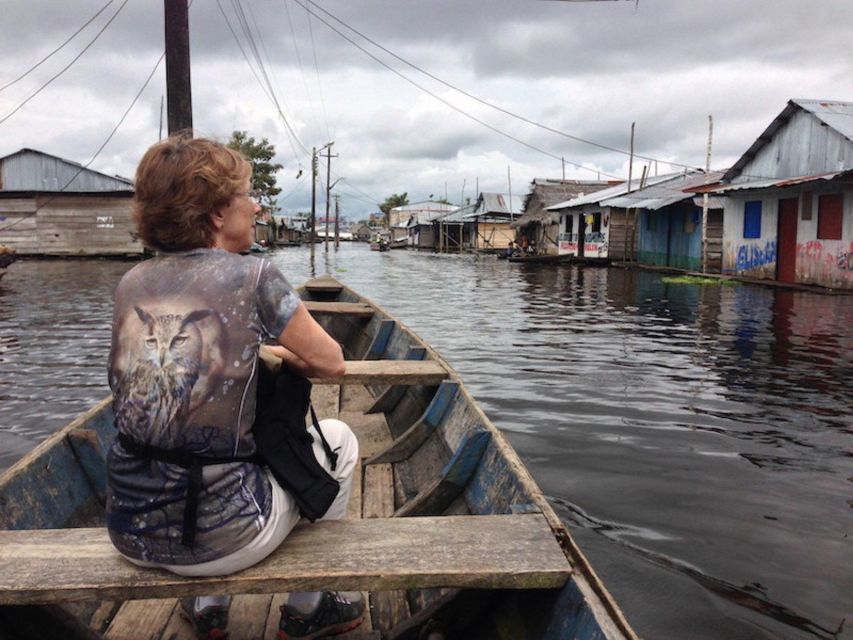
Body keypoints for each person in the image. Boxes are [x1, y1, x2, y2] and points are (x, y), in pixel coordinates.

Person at [105, 136, 363, 640]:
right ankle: (309, 610)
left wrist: (258, 355)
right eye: (247, 193)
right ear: (218, 213)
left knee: (206, 439)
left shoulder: (131, 282)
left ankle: (207, 608)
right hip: (226, 537)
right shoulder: (255, 276)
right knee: (341, 440)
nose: (258, 204)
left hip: (127, 529)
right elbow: (332, 364)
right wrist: (282, 355)